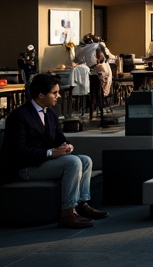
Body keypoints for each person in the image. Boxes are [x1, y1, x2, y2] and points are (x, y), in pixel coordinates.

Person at [0, 73, 107, 227]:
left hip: (44, 162)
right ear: (41, 95)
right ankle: (68, 212)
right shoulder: (19, 116)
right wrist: (50, 153)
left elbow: (59, 138)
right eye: (55, 93)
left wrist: (66, 145)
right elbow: (18, 151)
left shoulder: (50, 113)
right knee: (73, 162)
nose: (58, 96)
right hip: (26, 167)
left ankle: (82, 204)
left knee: (85, 160)